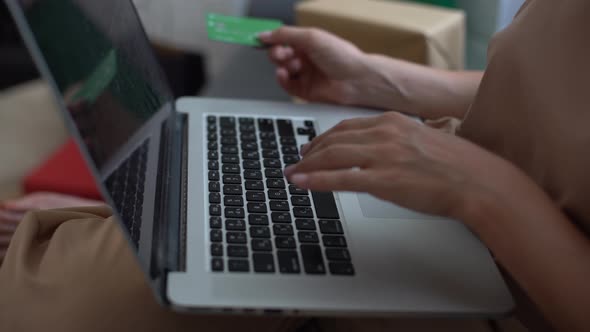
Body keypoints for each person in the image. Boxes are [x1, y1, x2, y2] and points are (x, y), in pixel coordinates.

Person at [1, 0, 589, 331]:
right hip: (460, 169)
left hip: (518, 270)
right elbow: (552, 90)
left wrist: (487, 192)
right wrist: (382, 78)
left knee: (48, 297)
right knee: (164, 215)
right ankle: (138, 213)